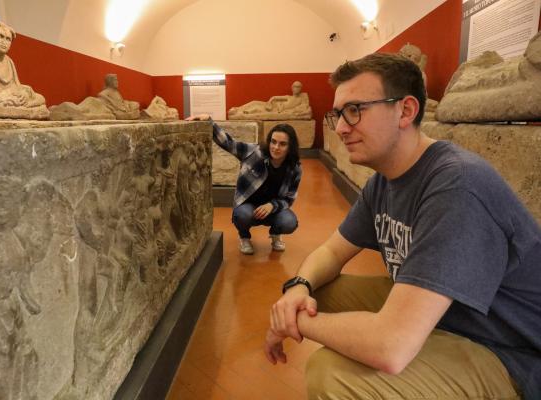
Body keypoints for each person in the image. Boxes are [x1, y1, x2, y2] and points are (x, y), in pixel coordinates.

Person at [264, 53, 541, 399]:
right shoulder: (385, 181)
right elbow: (333, 251)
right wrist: (298, 287)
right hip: (446, 315)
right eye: (338, 114)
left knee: (331, 375)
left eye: (355, 110)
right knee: (316, 292)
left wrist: (292, 320)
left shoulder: (457, 185)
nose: (340, 127)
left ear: (406, 111)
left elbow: (390, 348)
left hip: (507, 348)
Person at [187, 114, 302, 254]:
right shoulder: (254, 152)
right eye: (273, 142)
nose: (276, 147)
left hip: (271, 209)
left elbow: (288, 199)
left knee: (289, 222)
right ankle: (244, 236)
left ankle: (275, 234)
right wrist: (210, 122)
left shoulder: (294, 168)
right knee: (241, 215)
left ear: (291, 147)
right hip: (249, 207)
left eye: (282, 144)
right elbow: (229, 143)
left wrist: (272, 205)